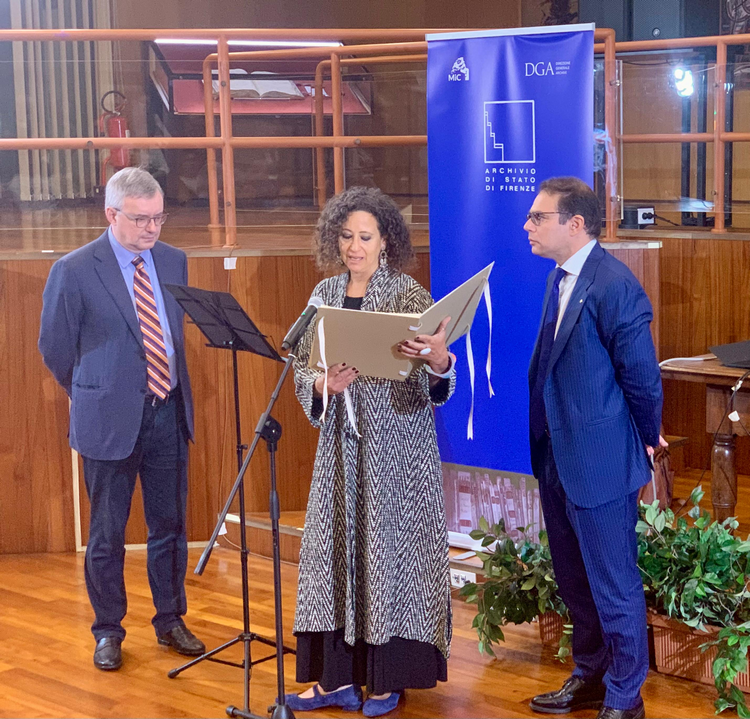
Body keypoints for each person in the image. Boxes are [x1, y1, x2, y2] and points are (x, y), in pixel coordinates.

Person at [286, 186, 455, 718]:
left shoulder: (409, 296)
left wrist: (438, 359)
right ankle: (334, 680)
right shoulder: (324, 294)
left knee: (391, 556)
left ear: (386, 241)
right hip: (340, 450)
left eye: (365, 237)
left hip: (396, 452)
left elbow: (440, 376)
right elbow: (301, 370)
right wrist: (322, 385)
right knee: (331, 555)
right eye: (346, 236)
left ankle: (388, 679)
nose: (354, 247)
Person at [38, 167, 204, 671]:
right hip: (108, 419)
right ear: (112, 215)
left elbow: (171, 336)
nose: (152, 229)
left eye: (158, 218)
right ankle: (108, 629)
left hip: (168, 414)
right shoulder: (74, 269)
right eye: (140, 220)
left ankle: (170, 619)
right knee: (107, 534)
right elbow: (55, 348)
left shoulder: (174, 261)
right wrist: (96, 392)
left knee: (170, 527)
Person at [525, 177, 664, 719]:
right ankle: (589, 676)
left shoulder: (614, 284)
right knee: (574, 580)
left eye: (539, 217)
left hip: (601, 460)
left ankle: (625, 698)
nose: (528, 226)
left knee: (614, 585)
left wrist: (647, 439)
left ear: (575, 224)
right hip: (557, 456)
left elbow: (642, 379)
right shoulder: (559, 279)